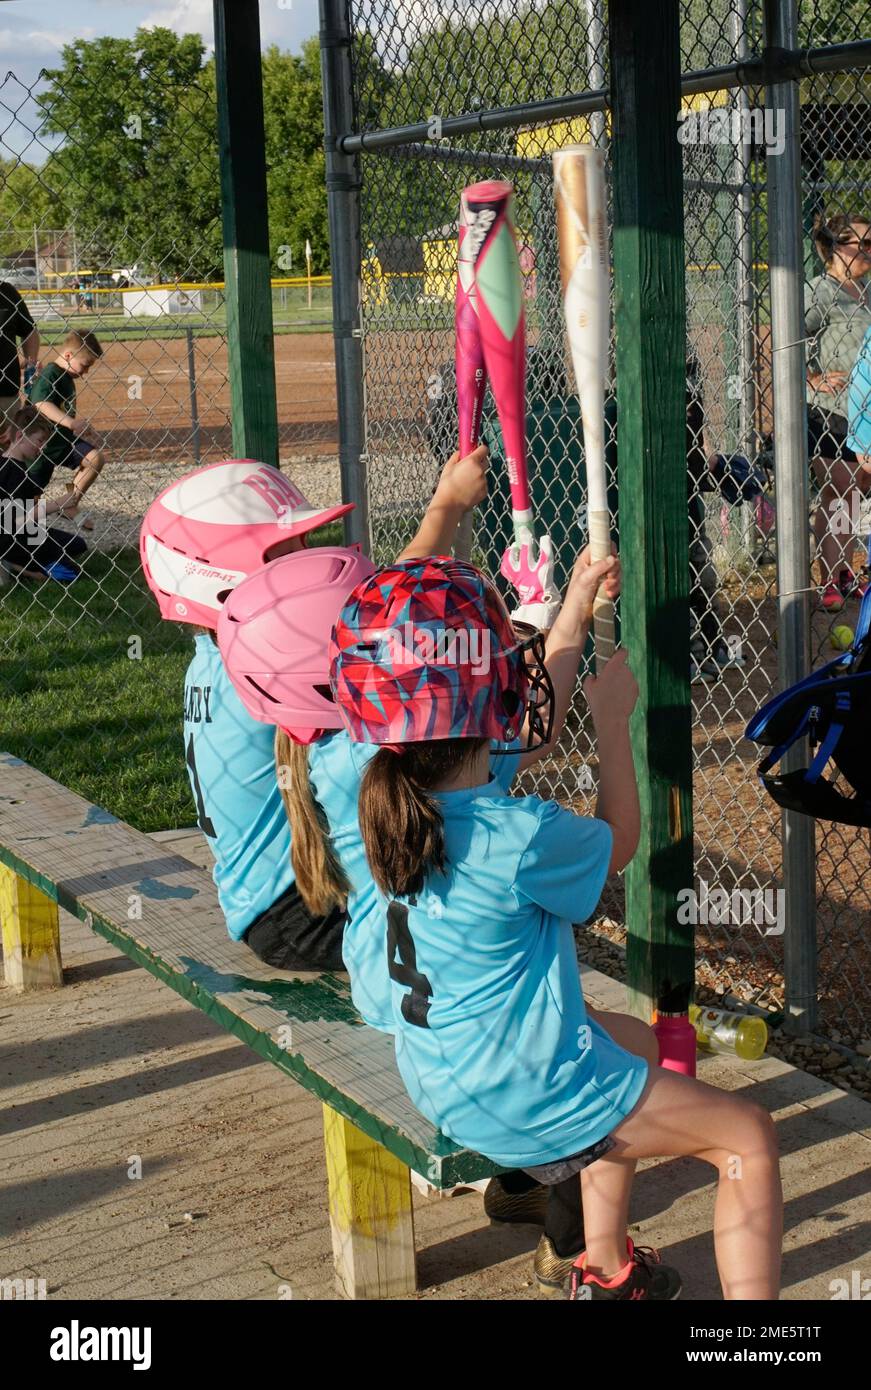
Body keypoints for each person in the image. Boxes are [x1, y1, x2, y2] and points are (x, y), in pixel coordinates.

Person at [328, 556, 783, 1300]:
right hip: (521, 1096)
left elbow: (526, 723)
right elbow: (621, 841)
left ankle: (601, 1272)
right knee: (746, 1139)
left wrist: (572, 605)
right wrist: (613, 725)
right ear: (489, 698)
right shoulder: (515, 833)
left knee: (632, 1044)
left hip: (439, 1073)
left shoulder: (385, 788)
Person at [805, 211, 871, 610]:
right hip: (826, 410)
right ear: (834, 247)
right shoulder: (821, 291)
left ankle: (844, 570)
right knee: (840, 488)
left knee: (851, 494)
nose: (866, 251)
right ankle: (829, 576)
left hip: (860, 411)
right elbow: (786, 337)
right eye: (859, 244)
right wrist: (809, 379)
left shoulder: (865, 291)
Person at [0, 402, 87, 582]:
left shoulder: (14, 467)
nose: (43, 447)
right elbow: (14, 523)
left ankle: (30, 563)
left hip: (24, 533)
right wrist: (57, 504)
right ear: (20, 435)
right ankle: (27, 570)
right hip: (11, 539)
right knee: (72, 569)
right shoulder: (15, 474)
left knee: (76, 544)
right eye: (40, 441)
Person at [28, 328, 107, 525]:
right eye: (85, 365)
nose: (86, 371)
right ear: (69, 355)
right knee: (30, 498)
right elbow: (40, 403)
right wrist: (71, 423)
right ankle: (30, 547)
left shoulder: (67, 377)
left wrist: (79, 428)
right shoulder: (51, 373)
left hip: (61, 442)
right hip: (40, 448)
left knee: (94, 459)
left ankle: (70, 503)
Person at [0, 279, 40, 433]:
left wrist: (31, 364)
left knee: (10, 450)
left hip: (6, 394)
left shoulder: (6, 291)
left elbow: (29, 330)